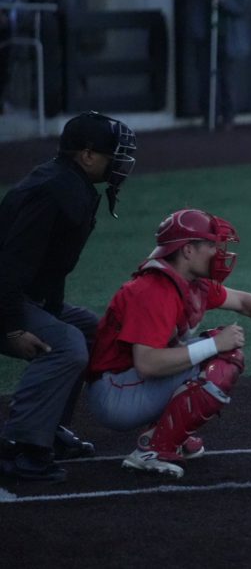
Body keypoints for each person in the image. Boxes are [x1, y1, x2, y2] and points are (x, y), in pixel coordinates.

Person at [86, 208, 251, 479]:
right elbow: (147, 363)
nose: (217, 252)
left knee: (212, 349)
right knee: (221, 357)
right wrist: (215, 345)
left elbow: (244, 302)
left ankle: (165, 434)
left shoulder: (189, 281)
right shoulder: (153, 291)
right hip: (115, 394)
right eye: (210, 244)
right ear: (187, 250)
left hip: (128, 383)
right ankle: (153, 450)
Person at [0, 111, 137, 482]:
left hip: (22, 295)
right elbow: (9, 265)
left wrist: (53, 311)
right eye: (113, 155)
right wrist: (13, 328)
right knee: (67, 346)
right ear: (87, 155)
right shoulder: (52, 192)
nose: (121, 163)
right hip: (5, 298)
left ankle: (48, 428)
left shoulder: (69, 183)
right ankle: (21, 446)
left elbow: (52, 269)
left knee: (94, 332)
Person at [179, 0, 250, 131]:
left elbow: (241, 5)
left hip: (226, 37)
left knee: (226, 79)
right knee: (205, 79)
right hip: (204, 36)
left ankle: (228, 117)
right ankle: (208, 116)